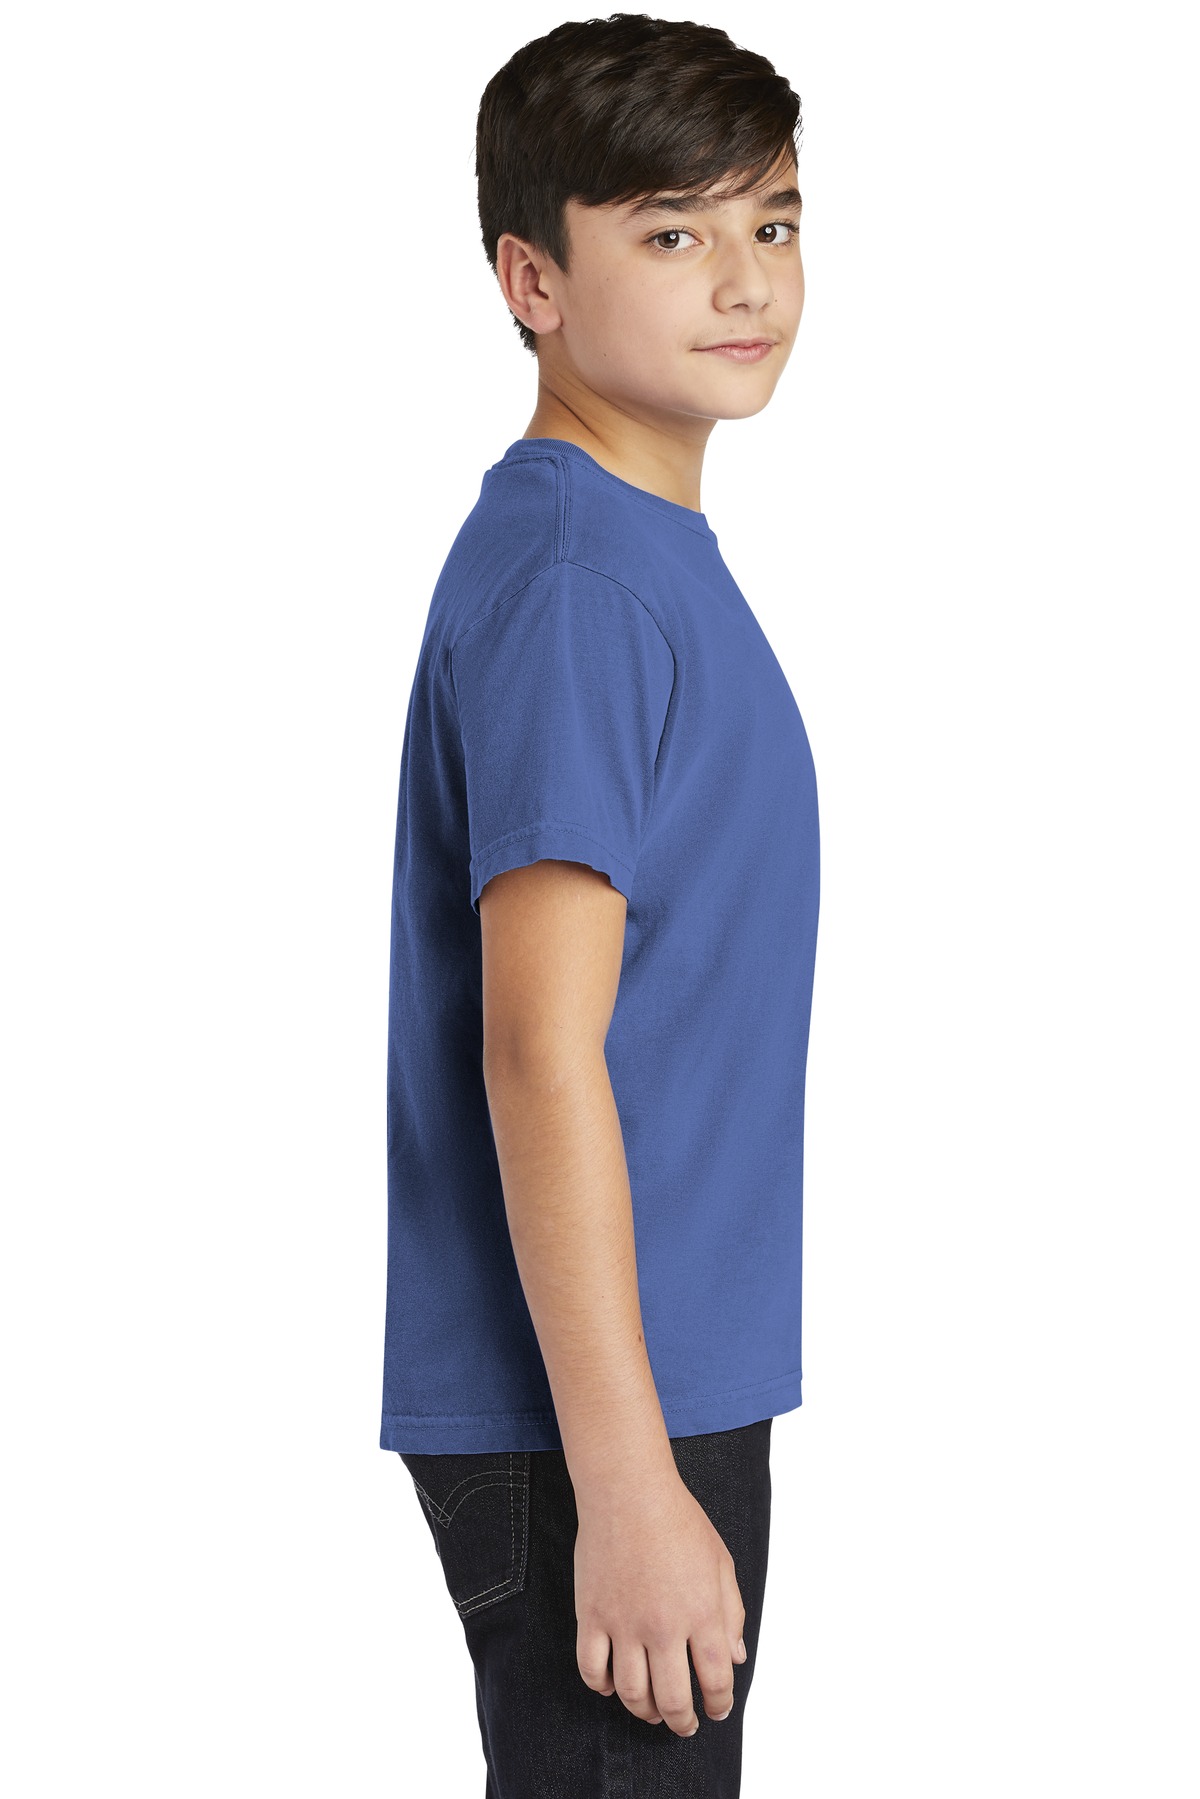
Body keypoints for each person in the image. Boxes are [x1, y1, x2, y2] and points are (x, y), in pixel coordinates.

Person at [379, 14, 820, 1793]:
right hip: (598, 1416)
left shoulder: (634, 556)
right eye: (671, 231)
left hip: (651, 1381)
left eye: (772, 222)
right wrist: (627, 1485)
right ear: (532, 280)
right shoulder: (580, 582)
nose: (746, 279)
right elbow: (536, 1049)